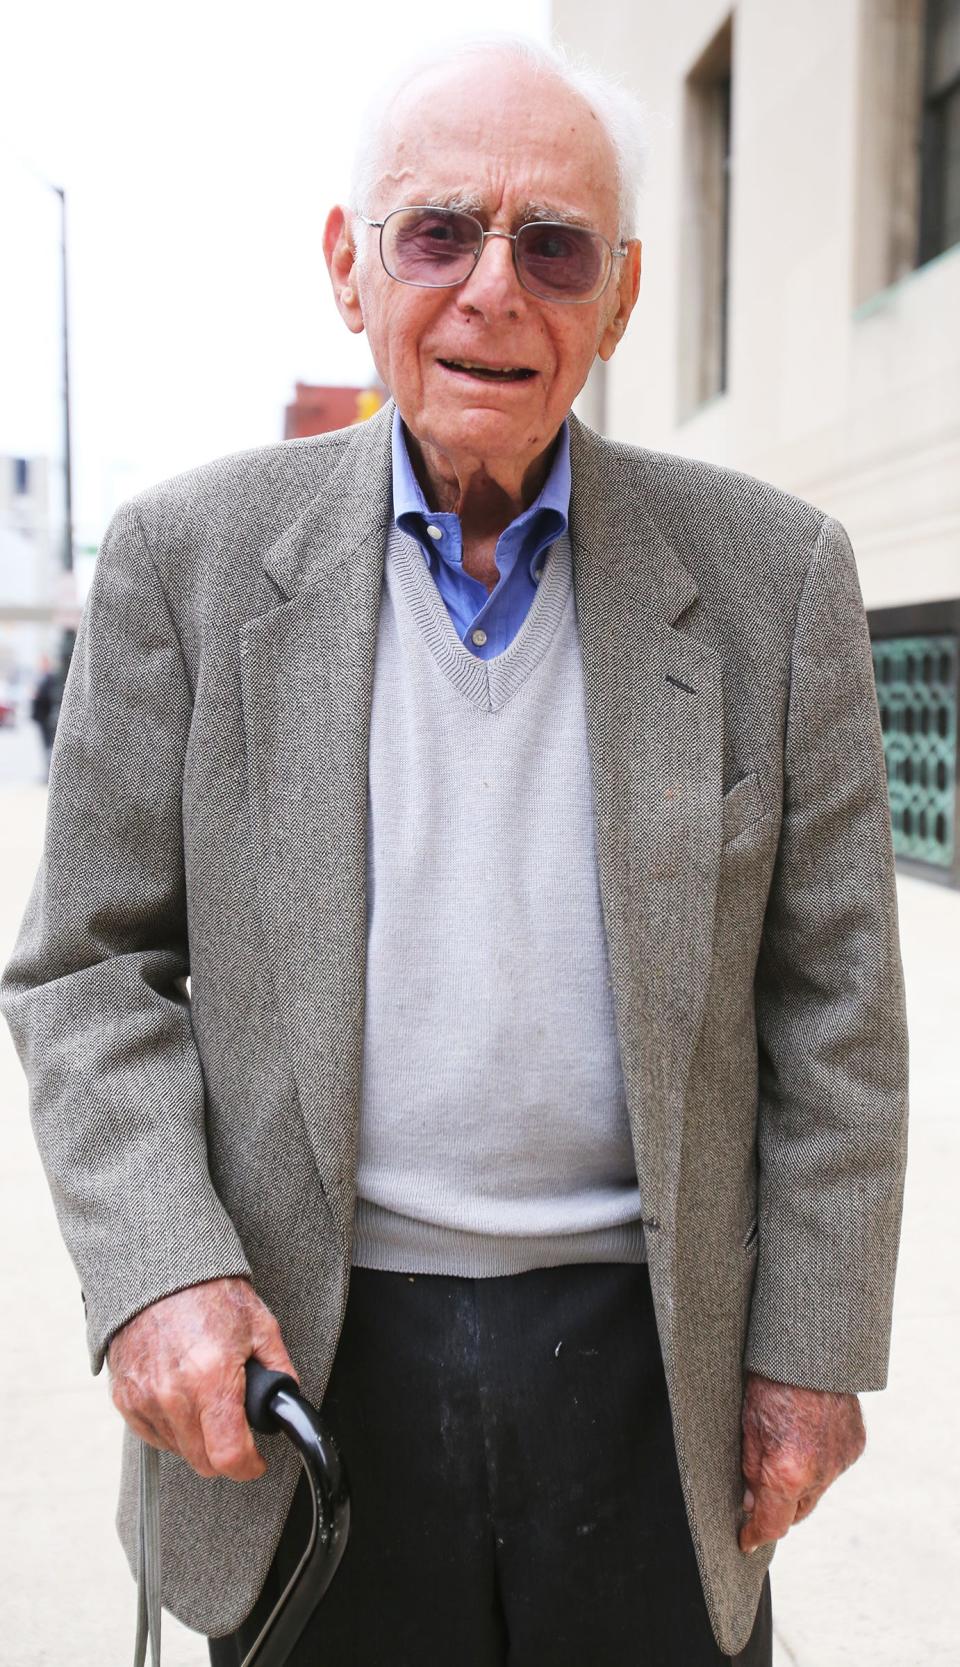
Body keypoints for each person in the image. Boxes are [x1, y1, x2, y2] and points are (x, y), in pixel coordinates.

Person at [0, 33, 908, 1667]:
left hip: (656, 1371)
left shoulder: (776, 580)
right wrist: (158, 1274)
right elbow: (86, 968)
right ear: (351, 268)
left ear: (620, 297)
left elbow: (835, 1005)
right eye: (439, 234)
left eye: (553, 246)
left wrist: (815, 1348)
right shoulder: (183, 566)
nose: (496, 290)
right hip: (313, 1367)